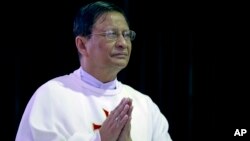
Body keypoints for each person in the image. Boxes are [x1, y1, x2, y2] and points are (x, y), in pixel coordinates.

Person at [15, 1, 172, 141]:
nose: (123, 43)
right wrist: (100, 139)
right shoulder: (51, 95)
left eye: (126, 34)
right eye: (112, 34)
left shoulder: (144, 105)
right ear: (82, 45)